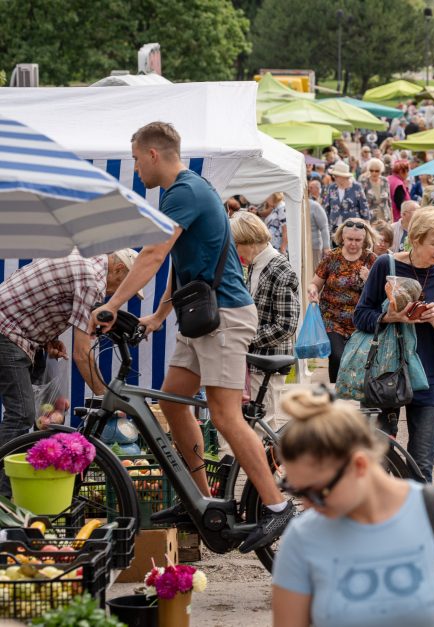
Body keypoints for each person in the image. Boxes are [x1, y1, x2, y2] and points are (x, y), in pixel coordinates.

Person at [92, 121, 293, 553]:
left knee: (225, 415)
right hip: (198, 317)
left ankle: (277, 506)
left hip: (224, 317)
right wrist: (158, 316)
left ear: (152, 154)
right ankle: (200, 499)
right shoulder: (181, 192)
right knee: (171, 399)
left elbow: (155, 253)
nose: (134, 168)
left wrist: (114, 304)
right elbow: (184, 264)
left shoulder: (184, 191)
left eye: (134, 158)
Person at [270, 387, 434, 627]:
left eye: (316, 492)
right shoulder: (303, 537)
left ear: (358, 466)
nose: (306, 506)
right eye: (296, 491)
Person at [354, 208, 434, 482]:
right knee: (377, 461)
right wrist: (389, 316)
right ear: (415, 240)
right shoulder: (386, 266)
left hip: (430, 376)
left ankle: (416, 522)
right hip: (384, 372)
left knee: (420, 467)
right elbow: (361, 316)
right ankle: (380, 521)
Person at [0, 249, 142, 451]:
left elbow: (44, 296)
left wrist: (48, 337)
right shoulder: (91, 280)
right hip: (6, 331)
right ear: (119, 268)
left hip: (12, 329)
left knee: (34, 413)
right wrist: (105, 397)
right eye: (124, 285)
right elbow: (82, 354)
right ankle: (5, 480)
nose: (118, 294)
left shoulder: (81, 257)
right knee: (22, 414)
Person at [230, 212, 300, 432]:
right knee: (256, 422)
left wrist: (247, 338)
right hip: (255, 359)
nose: (235, 251)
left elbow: (286, 325)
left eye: (236, 245)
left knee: (263, 425)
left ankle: (267, 466)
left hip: (269, 360)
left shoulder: (279, 268)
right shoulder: (255, 264)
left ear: (248, 242)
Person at [308, 218, 378, 382]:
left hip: (360, 320)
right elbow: (314, 283)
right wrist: (313, 292)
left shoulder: (371, 260)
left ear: (365, 240)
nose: (353, 244)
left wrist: (369, 279)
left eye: (358, 240)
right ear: (341, 238)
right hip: (332, 318)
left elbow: (381, 293)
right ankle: (336, 393)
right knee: (337, 357)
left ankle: (355, 392)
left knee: (358, 360)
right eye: (349, 239)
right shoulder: (331, 258)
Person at [323, 162, 370, 233]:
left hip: (352, 227)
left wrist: (366, 227)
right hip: (334, 228)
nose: (333, 177)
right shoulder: (332, 187)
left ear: (343, 176)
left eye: (336, 176)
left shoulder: (356, 187)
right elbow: (327, 207)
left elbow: (364, 208)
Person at [358, 158, 391, 223]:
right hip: (370, 218)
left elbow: (389, 201)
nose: (374, 173)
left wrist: (391, 217)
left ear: (381, 171)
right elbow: (360, 201)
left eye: (377, 171)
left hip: (385, 217)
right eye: (371, 170)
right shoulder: (364, 182)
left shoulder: (385, 181)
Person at [308, 179, 330, 268]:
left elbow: (324, 227)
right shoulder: (296, 205)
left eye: (311, 187)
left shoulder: (315, 206)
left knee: (315, 270)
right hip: (300, 246)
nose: (309, 189)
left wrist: (326, 247)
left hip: (314, 246)